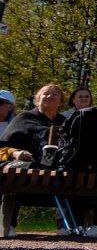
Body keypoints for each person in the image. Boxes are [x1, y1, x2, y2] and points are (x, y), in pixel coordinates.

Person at [0, 84, 66, 236]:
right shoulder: (24, 118)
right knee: (16, 171)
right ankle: (7, 224)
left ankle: (66, 225)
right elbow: (3, 147)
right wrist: (16, 152)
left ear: (61, 101)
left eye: (55, 94)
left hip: (57, 168)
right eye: (46, 94)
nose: (50, 96)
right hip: (28, 165)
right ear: (37, 99)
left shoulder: (66, 123)